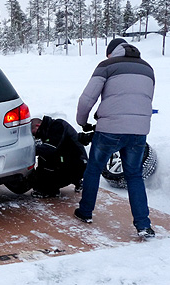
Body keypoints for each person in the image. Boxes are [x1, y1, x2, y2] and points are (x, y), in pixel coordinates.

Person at [75, 38, 155, 239]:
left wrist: (82, 122)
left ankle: (85, 212)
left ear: (112, 52)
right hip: (139, 131)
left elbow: (87, 99)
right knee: (134, 175)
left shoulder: (106, 66)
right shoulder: (148, 69)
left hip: (110, 129)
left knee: (93, 169)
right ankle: (144, 225)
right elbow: (144, 100)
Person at [29, 116, 88, 198]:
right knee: (46, 160)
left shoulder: (57, 126)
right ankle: (75, 180)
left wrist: (29, 151)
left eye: (34, 133)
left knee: (46, 163)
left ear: (38, 126)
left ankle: (51, 190)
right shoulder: (49, 129)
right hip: (73, 162)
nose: (35, 136)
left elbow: (50, 148)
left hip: (77, 165)